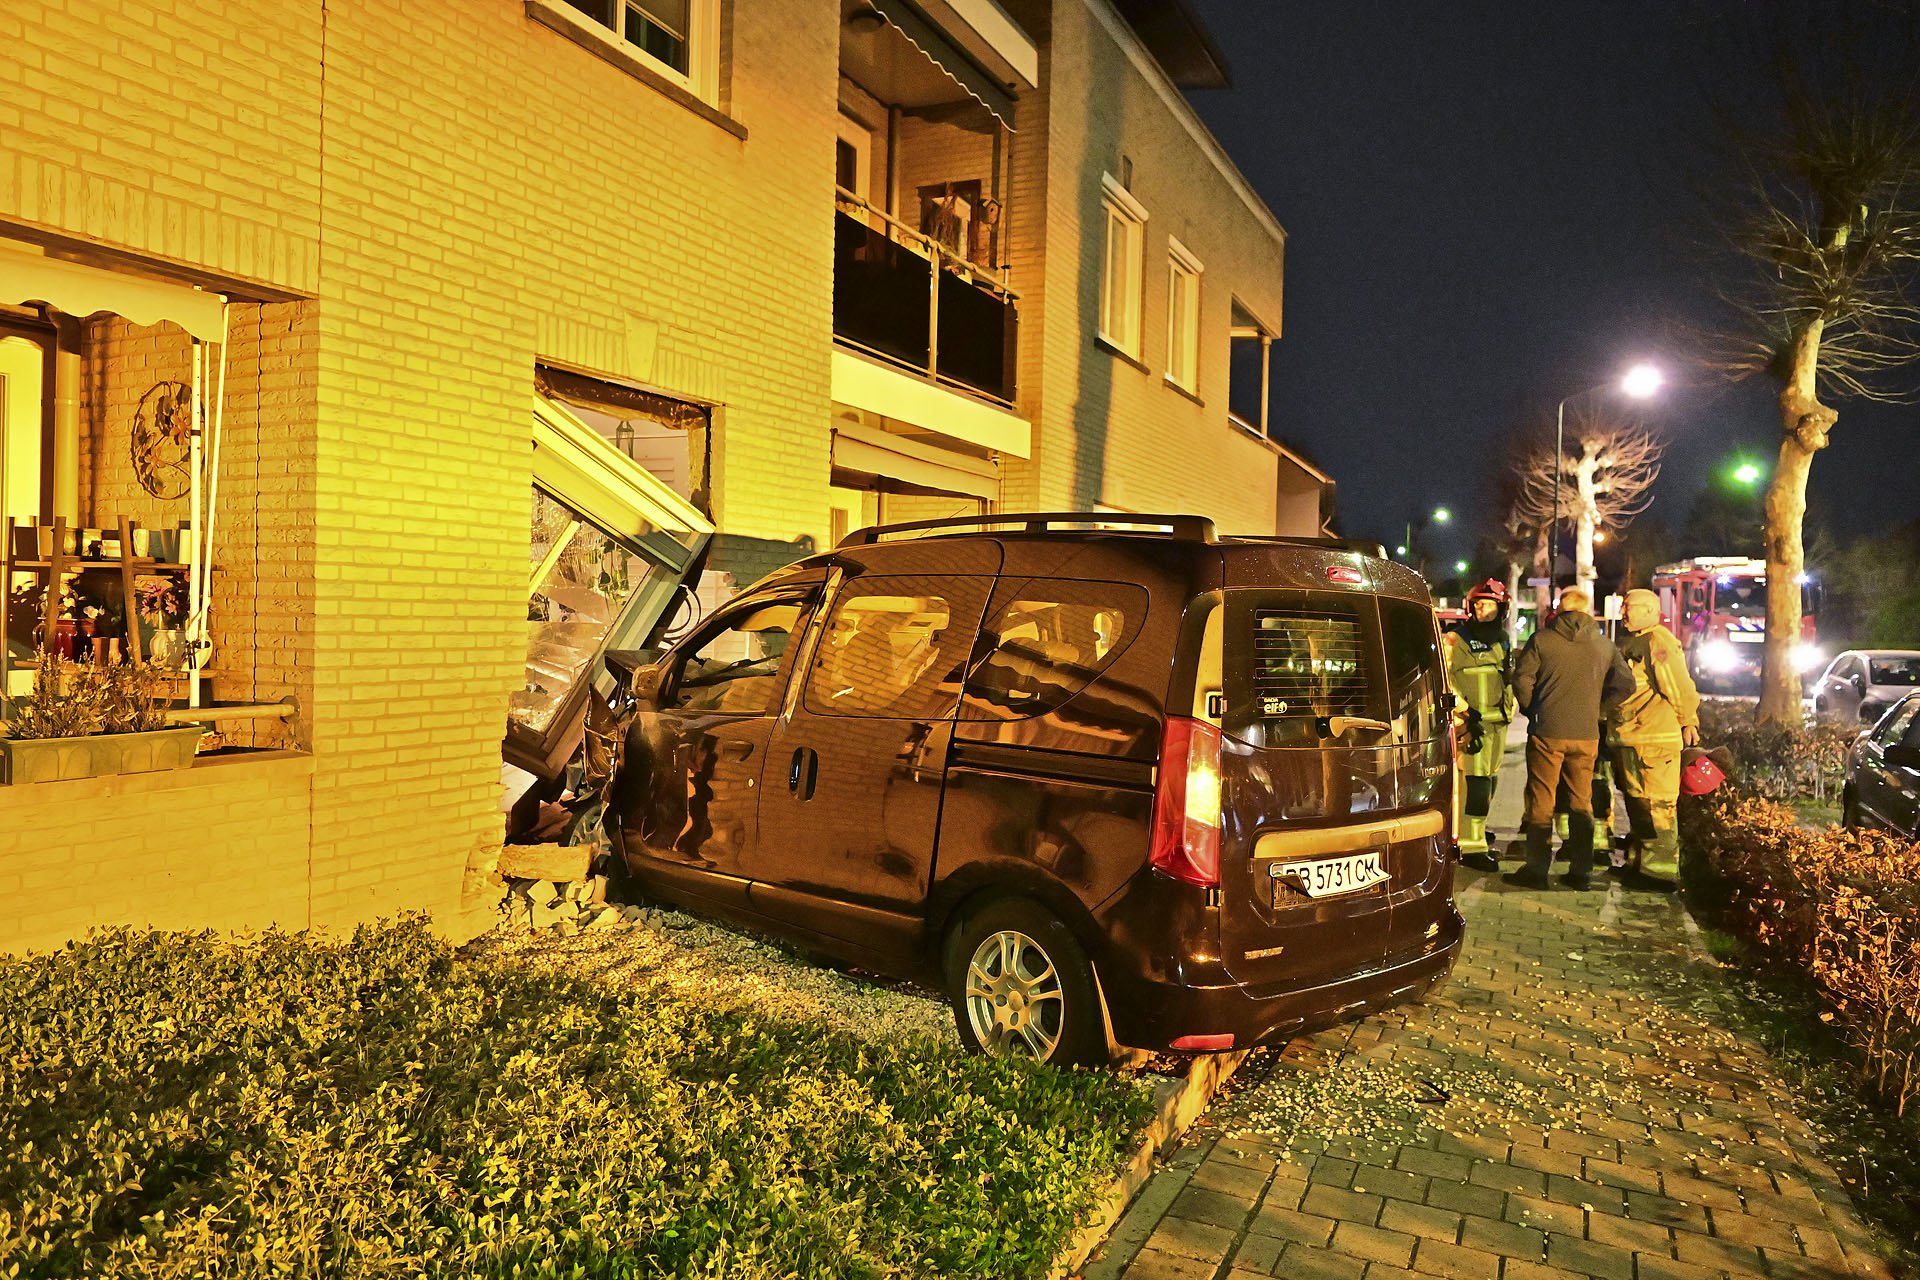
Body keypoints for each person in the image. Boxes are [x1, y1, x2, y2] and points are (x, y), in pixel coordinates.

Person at [1504, 587, 1634, 890]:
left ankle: (1537, 870)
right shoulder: (1604, 645)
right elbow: (1627, 684)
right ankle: (1581, 871)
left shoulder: (1542, 640)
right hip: (1586, 735)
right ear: (1587, 610)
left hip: (1547, 732)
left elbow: (1521, 678)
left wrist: (1533, 708)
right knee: (1581, 801)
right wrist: (1598, 710)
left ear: (1561, 609)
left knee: (1542, 799)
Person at [1608, 587, 1701, 888]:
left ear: (1650, 611)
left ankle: (1660, 873)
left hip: (1655, 740)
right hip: (1633, 738)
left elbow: (1677, 686)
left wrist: (1688, 719)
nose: (1624, 612)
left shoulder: (1658, 641)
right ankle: (1640, 864)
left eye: (1629, 607)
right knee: (1639, 804)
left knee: (1658, 805)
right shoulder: (1635, 641)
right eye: (1623, 607)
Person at [1445, 580, 1515, 871]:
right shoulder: (1456, 639)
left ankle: (1478, 829)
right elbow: (1445, 678)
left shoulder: (1502, 640)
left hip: (1498, 721)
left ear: (1501, 609)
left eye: (1488, 604)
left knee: (1491, 778)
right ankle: (1471, 847)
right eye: (1477, 604)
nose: (1481, 609)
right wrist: (1464, 711)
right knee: (1475, 783)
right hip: (1470, 723)